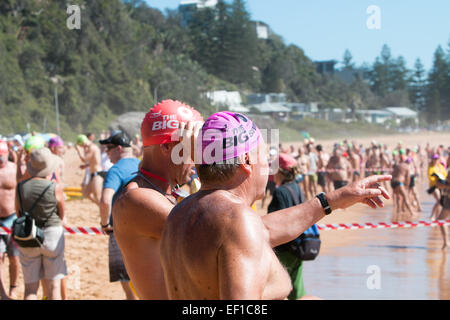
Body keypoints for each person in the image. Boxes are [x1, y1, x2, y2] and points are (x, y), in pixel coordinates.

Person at [160, 111, 391, 300]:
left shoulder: (180, 214)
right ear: (247, 161)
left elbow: (264, 230)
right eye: (264, 156)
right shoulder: (236, 219)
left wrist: (333, 200)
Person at [113, 100, 203, 299]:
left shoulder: (164, 192)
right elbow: (224, 233)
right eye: (192, 149)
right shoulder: (138, 199)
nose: (196, 161)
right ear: (166, 147)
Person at [14, 148, 67, 300]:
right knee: (54, 287)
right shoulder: (54, 187)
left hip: (29, 235)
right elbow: (61, 212)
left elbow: (18, 212)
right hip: (52, 233)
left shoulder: (20, 187)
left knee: (30, 289)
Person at [267, 152, 317, 300]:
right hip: (298, 245)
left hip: (283, 249)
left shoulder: (280, 192)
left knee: (277, 290)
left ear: (280, 172)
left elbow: (277, 221)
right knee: (297, 289)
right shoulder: (297, 188)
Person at [98, 131, 139, 300]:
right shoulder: (142, 165)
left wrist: (104, 224)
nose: (106, 153)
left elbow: (105, 200)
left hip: (121, 230)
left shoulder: (115, 170)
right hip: (146, 227)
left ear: (119, 148)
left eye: (108, 148)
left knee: (126, 280)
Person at [0, 140, 19, 300]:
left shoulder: (14, 170)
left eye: (2, 156)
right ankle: (2, 291)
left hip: (12, 217)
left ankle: (13, 287)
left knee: (14, 257)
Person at [75, 134, 103, 205]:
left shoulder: (92, 148)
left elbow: (84, 159)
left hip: (97, 174)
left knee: (97, 196)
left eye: (81, 146)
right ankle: (100, 207)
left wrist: (78, 150)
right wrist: (85, 166)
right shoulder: (90, 147)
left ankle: (103, 210)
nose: (82, 148)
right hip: (93, 174)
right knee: (86, 194)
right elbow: (93, 161)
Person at [391, 154, 415, 220]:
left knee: (398, 198)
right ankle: (412, 213)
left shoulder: (397, 166)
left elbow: (392, 174)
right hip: (400, 183)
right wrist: (407, 187)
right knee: (406, 197)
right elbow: (408, 178)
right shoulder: (406, 166)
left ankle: (398, 213)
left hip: (393, 183)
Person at [428, 154, 447, 220]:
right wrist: (437, 178)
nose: (435, 160)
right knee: (439, 200)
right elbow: (430, 177)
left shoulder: (441, 167)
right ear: (432, 159)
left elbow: (445, 175)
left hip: (441, 186)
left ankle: (437, 216)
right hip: (434, 186)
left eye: (437, 159)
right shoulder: (431, 167)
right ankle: (432, 215)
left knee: (441, 202)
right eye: (434, 159)